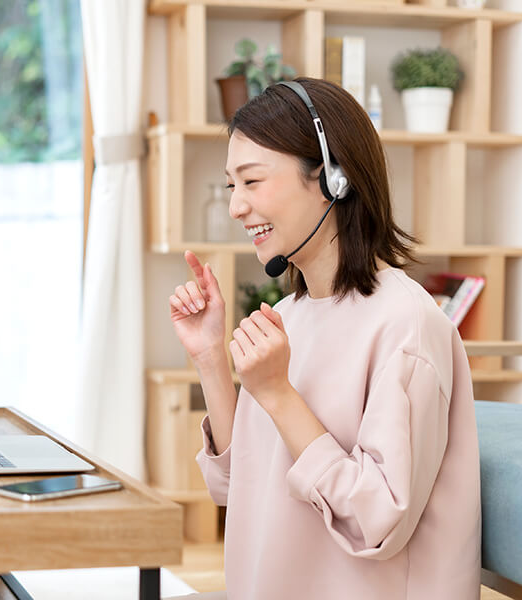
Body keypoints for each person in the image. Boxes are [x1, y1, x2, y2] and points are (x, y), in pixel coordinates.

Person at [168, 78, 481, 599]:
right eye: (231, 186)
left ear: (332, 177)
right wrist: (209, 358)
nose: (236, 207)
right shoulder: (290, 316)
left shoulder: (406, 324)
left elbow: (375, 520)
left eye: (252, 181)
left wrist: (277, 394)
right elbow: (235, 487)